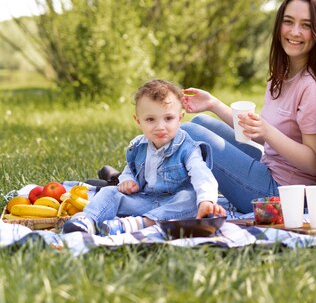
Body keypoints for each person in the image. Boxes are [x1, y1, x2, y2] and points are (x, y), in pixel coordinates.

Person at [181, 0, 316, 213]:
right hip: (268, 169)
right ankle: (161, 184)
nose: (294, 31)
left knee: (191, 134)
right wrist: (213, 104)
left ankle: (156, 187)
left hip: (286, 195)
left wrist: (267, 131)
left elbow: (315, 162)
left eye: (306, 25)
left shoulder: (313, 87)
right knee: (200, 123)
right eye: (288, 21)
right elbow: (257, 132)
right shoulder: (280, 77)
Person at [62, 79, 226, 235]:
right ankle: (87, 221)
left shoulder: (187, 148)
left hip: (174, 204)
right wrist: (128, 180)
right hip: (144, 200)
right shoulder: (138, 146)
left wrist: (207, 201)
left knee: (190, 198)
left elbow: (202, 174)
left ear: (180, 118)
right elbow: (130, 169)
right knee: (109, 192)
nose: (160, 127)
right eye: (150, 120)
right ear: (138, 121)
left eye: (168, 118)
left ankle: (137, 224)